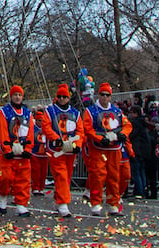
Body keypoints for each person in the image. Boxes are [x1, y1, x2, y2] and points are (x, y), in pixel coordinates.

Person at [82, 82, 131, 217]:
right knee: (98, 176)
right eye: (102, 95)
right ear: (99, 95)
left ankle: (113, 204)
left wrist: (122, 135)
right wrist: (98, 138)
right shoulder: (91, 111)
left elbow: (127, 125)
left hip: (114, 149)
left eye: (107, 95)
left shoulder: (117, 111)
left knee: (114, 177)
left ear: (110, 96)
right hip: (98, 149)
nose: (104, 97)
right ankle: (96, 203)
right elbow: (88, 128)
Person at [38, 83, 83, 217]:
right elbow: (46, 126)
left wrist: (78, 144)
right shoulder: (50, 111)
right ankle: (63, 204)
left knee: (66, 176)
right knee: (61, 175)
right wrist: (56, 139)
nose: (62, 99)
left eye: (65, 97)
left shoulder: (75, 113)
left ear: (69, 98)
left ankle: (59, 198)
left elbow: (80, 130)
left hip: (70, 150)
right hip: (56, 150)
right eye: (60, 97)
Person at [0, 84, 34, 217]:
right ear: (11, 96)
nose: (17, 97)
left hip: (22, 154)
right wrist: (7, 149)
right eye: (15, 95)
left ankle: (21, 205)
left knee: (23, 180)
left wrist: (28, 148)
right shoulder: (3, 113)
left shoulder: (28, 114)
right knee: (5, 177)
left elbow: (31, 133)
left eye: (19, 95)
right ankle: (3, 195)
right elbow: (2, 131)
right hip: (8, 154)